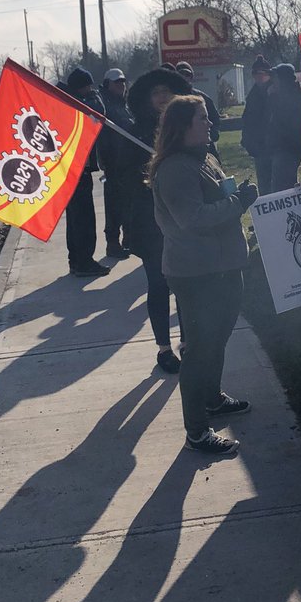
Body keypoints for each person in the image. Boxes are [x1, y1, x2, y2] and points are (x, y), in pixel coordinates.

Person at [150, 95, 258, 457]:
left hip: (224, 268)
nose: (210, 122)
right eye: (202, 118)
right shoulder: (175, 170)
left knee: (218, 339)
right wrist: (237, 203)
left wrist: (235, 195)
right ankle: (197, 431)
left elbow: (219, 195)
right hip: (197, 274)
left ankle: (212, 399)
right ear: (182, 126)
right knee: (199, 351)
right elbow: (192, 219)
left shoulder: (205, 157)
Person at [118, 67, 191, 373]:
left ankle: (188, 342)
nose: (162, 98)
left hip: (186, 220)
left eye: (167, 91)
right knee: (159, 283)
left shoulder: (188, 127)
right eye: (156, 93)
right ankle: (164, 347)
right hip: (151, 223)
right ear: (147, 99)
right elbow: (124, 179)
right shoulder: (134, 135)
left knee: (187, 284)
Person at [63, 67, 110, 278]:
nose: (91, 89)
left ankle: (76, 260)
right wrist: (94, 96)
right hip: (77, 169)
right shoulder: (78, 104)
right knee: (83, 219)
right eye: (88, 86)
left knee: (75, 219)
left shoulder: (65, 102)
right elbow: (100, 114)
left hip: (71, 170)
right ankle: (84, 261)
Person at [97, 68, 133, 260]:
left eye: (123, 82)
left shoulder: (124, 105)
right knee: (114, 207)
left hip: (127, 163)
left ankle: (129, 238)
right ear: (107, 84)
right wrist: (107, 162)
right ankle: (113, 243)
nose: (121, 86)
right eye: (116, 83)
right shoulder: (104, 105)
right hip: (113, 163)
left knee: (128, 204)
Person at [266, 63, 301, 192]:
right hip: (288, 149)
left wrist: (272, 98)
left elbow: (281, 120)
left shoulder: (290, 95)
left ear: (282, 79)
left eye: (276, 77)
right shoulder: (294, 92)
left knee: (282, 189)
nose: (273, 81)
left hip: (286, 149)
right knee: (285, 186)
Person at [240, 54, 273, 196]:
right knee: (264, 185)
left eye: (262, 74)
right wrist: (248, 142)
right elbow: (247, 120)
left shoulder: (274, 92)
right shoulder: (253, 95)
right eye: (256, 74)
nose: (259, 77)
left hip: (275, 144)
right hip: (259, 147)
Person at [174, 61, 221, 156]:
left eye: (187, 74)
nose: (184, 77)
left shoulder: (202, 98)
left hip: (205, 147)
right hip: (180, 149)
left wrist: (211, 135)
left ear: (192, 77)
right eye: (180, 75)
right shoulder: (171, 100)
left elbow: (215, 119)